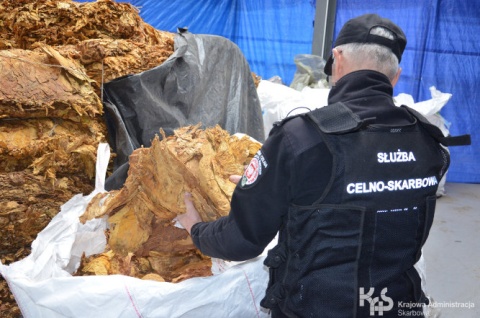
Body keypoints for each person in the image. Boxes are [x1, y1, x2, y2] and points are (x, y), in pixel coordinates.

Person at [177, 13, 456, 317]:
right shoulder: (429, 141)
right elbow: (372, 194)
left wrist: (197, 229)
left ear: (336, 58)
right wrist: (273, 184)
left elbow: (242, 241)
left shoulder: (301, 137)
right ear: (396, 75)